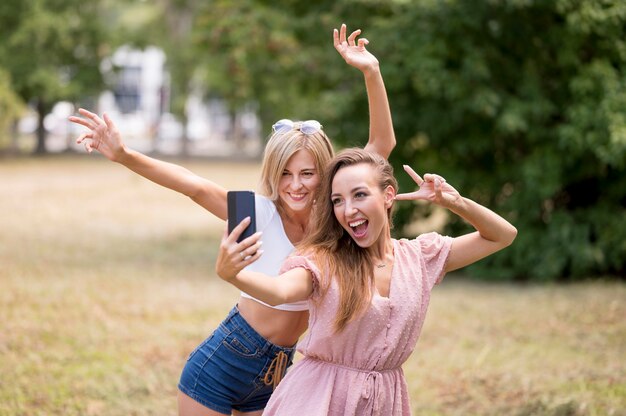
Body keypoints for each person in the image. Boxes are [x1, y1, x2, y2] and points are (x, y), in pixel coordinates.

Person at [69, 24, 396, 416]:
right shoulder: (256, 211)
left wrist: (371, 73)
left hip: (278, 373)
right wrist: (125, 155)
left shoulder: (334, 222)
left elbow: (381, 147)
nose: (294, 185)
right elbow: (193, 185)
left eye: (307, 174)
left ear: (324, 174)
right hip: (220, 365)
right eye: (284, 173)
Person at [216, 148, 518, 415]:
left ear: (387, 196)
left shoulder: (420, 257)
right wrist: (235, 275)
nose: (348, 210)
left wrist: (456, 203)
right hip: (318, 400)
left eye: (359, 195)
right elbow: (280, 291)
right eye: (337, 200)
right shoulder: (324, 260)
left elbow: (503, 236)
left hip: (385, 401)